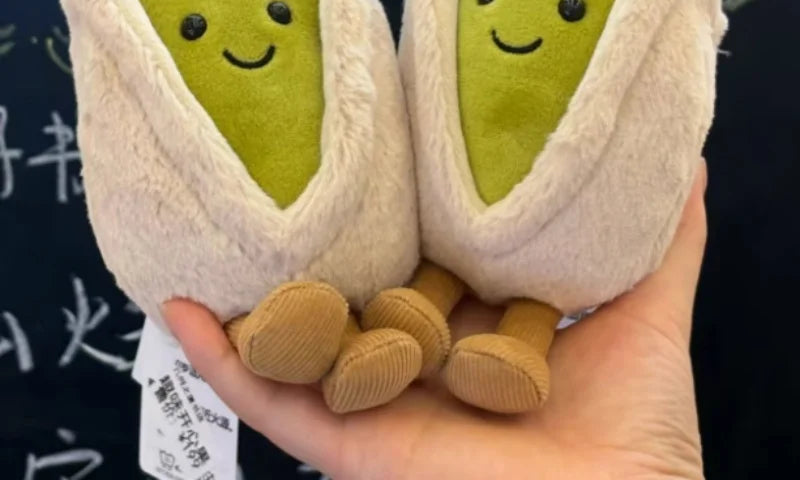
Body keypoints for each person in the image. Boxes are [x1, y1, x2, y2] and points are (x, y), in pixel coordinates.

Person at [164, 161, 709, 480]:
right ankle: (361, 334)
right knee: (428, 277)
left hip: (461, 257)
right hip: (428, 252)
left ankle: (420, 337)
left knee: (488, 286)